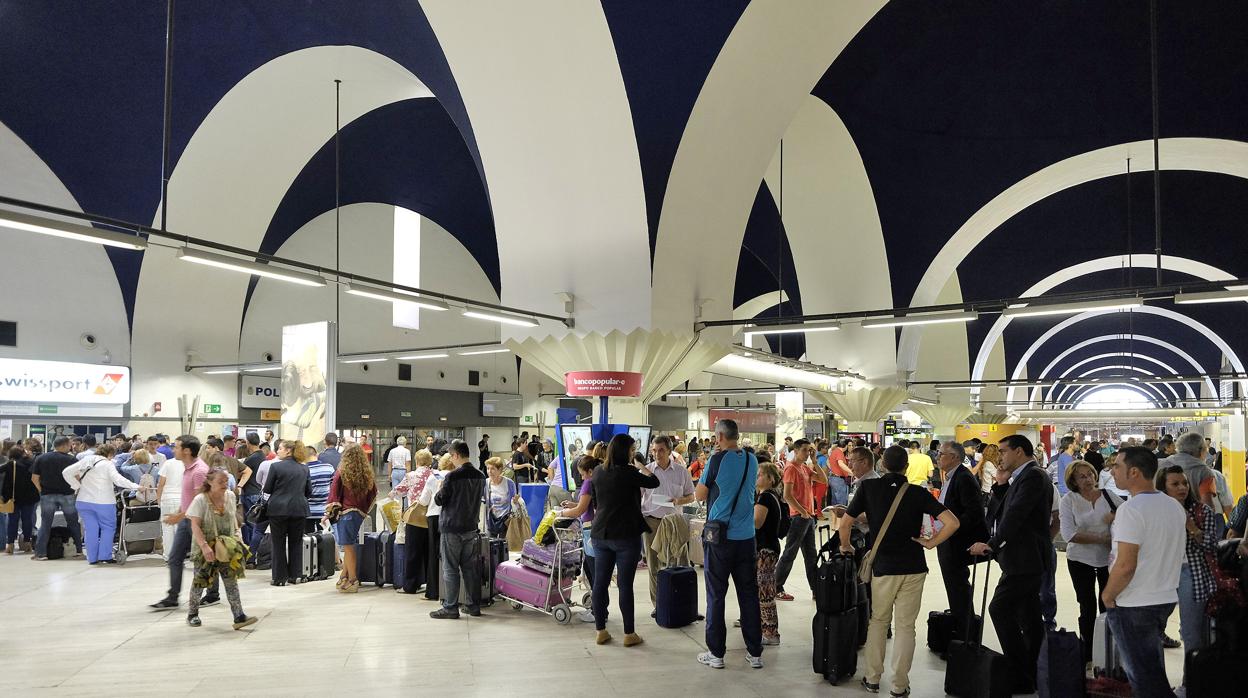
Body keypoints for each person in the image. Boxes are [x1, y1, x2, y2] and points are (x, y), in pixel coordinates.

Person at [841, 445, 960, 696]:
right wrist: (930, 543)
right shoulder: (919, 493)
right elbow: (952, 522)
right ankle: (899, 685)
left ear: (882, 465)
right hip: (914, 567)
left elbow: (846, 520)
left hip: (883, 567)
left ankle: (872, 679)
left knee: (878, 621)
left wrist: (846, 545)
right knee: (906, 627)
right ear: (906, 467)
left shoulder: (869, 488)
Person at [968, 435, 1054, 696]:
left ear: (1018, 451)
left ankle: (1020, 670)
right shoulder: (1024, 477)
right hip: (1022, 558)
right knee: (1028, 616)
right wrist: (1002, 486)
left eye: (1004, 451)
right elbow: (1001, 512)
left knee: (1000, 608)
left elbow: (1016, 516)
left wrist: (992, 544)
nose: (1000, 457)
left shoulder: (1034, 476)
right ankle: (1034, 671)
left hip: (1025, 558)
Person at [1100, 448, 1186, 698]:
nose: (1112, 471)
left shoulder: (1132, 509)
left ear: (1134, 471)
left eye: (1117, 466)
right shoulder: (1173, 506)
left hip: (1135, 602)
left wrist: (1108, 595)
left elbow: (1126, 565)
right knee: (1152, 667)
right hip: (1164, 597)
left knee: (1143, 676)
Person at [695, 419, 763, 669]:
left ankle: (716, 654)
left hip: (719, 540)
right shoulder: (751, 459)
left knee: (716, 596)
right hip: (746, 538)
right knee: (748, 595)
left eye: (715, 436)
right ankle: (755, 653)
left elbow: (699, 495)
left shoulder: (716, 460)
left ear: (721, 436)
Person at [587, 434, 660, 646]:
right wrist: (641, 466)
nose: (633, 453)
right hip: (626, 536)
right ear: (625, 451)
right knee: (625, 585)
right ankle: (629, 634)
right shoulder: (629, 472)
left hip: (601, 534)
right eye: (632, 450)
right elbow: (654, 482)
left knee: (600, 583)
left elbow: (596, 501)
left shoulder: (598, 471)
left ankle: (600, 630)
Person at [1156, 464, 1217, 692]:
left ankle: (1190, 684)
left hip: (1190, 574)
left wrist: (1192, 528)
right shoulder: (1157, 512)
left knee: (1192, 634)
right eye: (1175, 484)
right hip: (1160, 576)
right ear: (1163, 488)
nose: (1182, 488)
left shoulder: (1201, 511)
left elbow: (1212, 545)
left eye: (1184, 483)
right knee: (1152, 632)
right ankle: (1157, 685)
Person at [1059, 460, 1121, 663]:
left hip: (1108, 560)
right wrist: (1102, 539)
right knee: (1086, 606)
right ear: (1073, 481)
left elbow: (1128, 515)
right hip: (1080, 560)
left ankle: (1109, 649)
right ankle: (1088, 652)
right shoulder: (1069, 500)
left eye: (1091, 474)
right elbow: (1069, 534)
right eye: (1082, 477)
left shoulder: (1108, 496)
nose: (1088, 479)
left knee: (1109, 604)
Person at [184, 467, 257, 629]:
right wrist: (204, 547)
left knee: (231, 581)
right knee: (200, 581)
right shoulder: (200, 500)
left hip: (226, 545)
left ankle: (239, 616)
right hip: (205, 546)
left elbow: (234, 520)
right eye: (220, 481)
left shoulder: (230, 496)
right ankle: (192, 614)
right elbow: (195, 525)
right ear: (210, 482)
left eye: (226, 481)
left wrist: (238, 537)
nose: (225, 484)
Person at [934, 441, 989, 645]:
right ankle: (961, 633)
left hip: (956, 542)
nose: (938, 457)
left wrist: (950, 528)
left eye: (942, 454)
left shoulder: (963, 477)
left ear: (955, 457)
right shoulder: (950, 476)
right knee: (955, 589)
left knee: (959, 590)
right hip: (947, 540)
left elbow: (973, 513)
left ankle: (967, 638)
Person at [430, 441, 487, 620]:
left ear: (455, 455)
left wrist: (439, 489)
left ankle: (450, 607)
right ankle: (472, 605)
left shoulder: (452, 477)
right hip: (471, 527)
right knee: (470, 568)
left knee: (450, 568)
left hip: (452, 527)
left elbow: (440, 500)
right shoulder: (480, 476)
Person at [61, 443, 146, 564]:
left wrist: (77, 485)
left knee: (90, 529)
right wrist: (137, 487)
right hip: (103, 501)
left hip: (83, 501)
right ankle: (104, 556)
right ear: (110, 454)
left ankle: (92, 558)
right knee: (108, 528)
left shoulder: (86, 460)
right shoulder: (107, 464)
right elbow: (118, 480)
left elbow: (66, 472)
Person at [640, 435, 696, 607]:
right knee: (654, 564)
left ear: (670, 451)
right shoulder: (646, 471)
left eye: (661, 450)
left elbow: (691, 495)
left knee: (680, 562)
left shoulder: (681, 472)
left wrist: (679, 501)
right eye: (654, 450)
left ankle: (682, 603)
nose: (657, 454)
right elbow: (638, 496)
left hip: (674, 522)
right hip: (651, 522)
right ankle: (659, 605)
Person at [773, 438, 826, 602]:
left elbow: (823, 480)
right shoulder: (791, 469)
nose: (807, 453)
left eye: (809, 450)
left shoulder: (804, 467)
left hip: (807, 517)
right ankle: (776, 586)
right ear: (795, 451)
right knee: (790, 553)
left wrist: (815, 461)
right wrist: (802, 511)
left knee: (811, 555)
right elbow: (787, 495)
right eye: (804, 450)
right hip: (798, 517)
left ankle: (816, 589)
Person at [325, 445, 377, 593]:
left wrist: (328, 513)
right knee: (349, 546)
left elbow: (334, 494)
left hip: (345, 513)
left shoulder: (342, 472)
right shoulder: (366, 473)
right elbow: (373, 493)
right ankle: (344, 575)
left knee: (348, 547)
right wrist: (364, 509)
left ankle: (353, 579)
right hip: (358, 513)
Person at [261, 441, 311, 586]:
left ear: (289, 451)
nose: (278, 450)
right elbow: (309, 491)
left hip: (278, 510)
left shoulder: (276, 466)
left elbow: (268, 489)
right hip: (299, 509)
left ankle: (280, 578)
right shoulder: (304, 468)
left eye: (281, 448)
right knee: (296, 543)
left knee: (278, 544)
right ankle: (295, 575)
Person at [558, 454, 602, 623]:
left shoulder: (589, 483)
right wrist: (573, 506)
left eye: (582, 474)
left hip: (590, 531)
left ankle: (598, 612)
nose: (582, 477)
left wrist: (561, 513)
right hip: (592, 530)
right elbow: (584, 507)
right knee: (592, 571)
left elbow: (580, 511)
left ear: (589, 471)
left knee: (593, 573)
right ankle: (597, 609)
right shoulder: (595, 482)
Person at [29, 436, 84, 559]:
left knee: (45, 524)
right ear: (64, 446)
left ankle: (41, 553)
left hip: (47, 495)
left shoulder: (41, 458)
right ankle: (79, 550)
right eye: (69, 445)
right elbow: (77, 478)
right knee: (73, 522)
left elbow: (34, 478)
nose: (71, 447)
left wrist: (41, 490)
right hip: (67, 495)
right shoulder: (72, 460)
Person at [394, 449, 435, 594]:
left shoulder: (411, 475)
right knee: (429, 552)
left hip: (415, 518)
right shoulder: (433, 475)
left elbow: (398, 490)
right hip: (431, 517)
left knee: (413, 552)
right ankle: (430, 584)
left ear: (417, 461)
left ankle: (411, 585)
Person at [753, 461, 784, 646]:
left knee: (765, 592)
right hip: (769, 548)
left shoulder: (765, 498)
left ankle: (771, 632)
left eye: (760, 475)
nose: (757, 477)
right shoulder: (772, 496)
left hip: (765, 549)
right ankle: (765, 628)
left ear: (770, 478)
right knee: (763, 589)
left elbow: (757, 522)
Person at [419, 453, 455, 601]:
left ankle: (433, 591)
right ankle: (449, 590)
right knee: (449, 554)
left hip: (434, 516)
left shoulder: (433, 477)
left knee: (434, 553)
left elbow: (423, 500)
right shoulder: (455, 478)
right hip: (451, 517)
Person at [1161, 432, 1217, 511]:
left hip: (1161, 516)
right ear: (1200, 450)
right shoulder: (1204, 471)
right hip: (1191, 519)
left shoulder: (1161, 464)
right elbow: (1207, 504)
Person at [3, 445, 39, 554]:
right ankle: (27, 543)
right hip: (30, 497)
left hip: (14, 497)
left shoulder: (11, 464)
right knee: (27, 519)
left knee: (12, 520)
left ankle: (10, 545)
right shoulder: (32, 462)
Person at [483, 456, 519, 538]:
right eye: (488, 469)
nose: (489, 472)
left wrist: (516, 501)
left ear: (499, 470)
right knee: (491, 545)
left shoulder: (509, 483)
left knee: (504, 545)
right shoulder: (485, 483)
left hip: (505, 519)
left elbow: (514, 500)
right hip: (491, 519)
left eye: (492, 469)